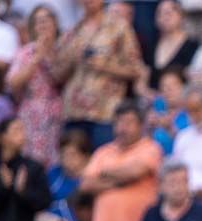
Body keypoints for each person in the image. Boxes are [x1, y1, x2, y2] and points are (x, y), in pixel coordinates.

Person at [78, 100, 163, 221]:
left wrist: (104, 173)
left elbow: (135, 172)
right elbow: (85, 185)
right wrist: (119, 182)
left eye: (128, 122)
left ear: (141, 125)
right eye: (119, 122)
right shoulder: (103, 152)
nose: (122, 128)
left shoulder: (150, 148)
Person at [53, 0, 144, 150]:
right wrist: (72, 59)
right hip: (74, 111)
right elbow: (57, 75)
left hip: (105, 112)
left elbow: (135, 69)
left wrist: (106, 66)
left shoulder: (119, 28)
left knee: (103, 162)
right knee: (73, 165)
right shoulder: (72, 31)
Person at [6, 5, 63, 166]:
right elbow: (13, 82)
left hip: (59, 116)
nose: (43, 26)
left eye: (47, 21)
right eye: (38, 22)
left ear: (55, 24)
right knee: (32, 164)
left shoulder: (63, 49)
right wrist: (37, 58)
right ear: (33, 27)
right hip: (32, 117)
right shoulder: (25, 52)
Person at [143, 0, 199, 93]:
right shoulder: (151, 45)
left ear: (181, 15)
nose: (164, 17)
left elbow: (194, 78)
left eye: (169, 13)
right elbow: (143, 78)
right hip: (153, 101)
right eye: (160, 13)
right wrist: (148, 94)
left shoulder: (193, 46)